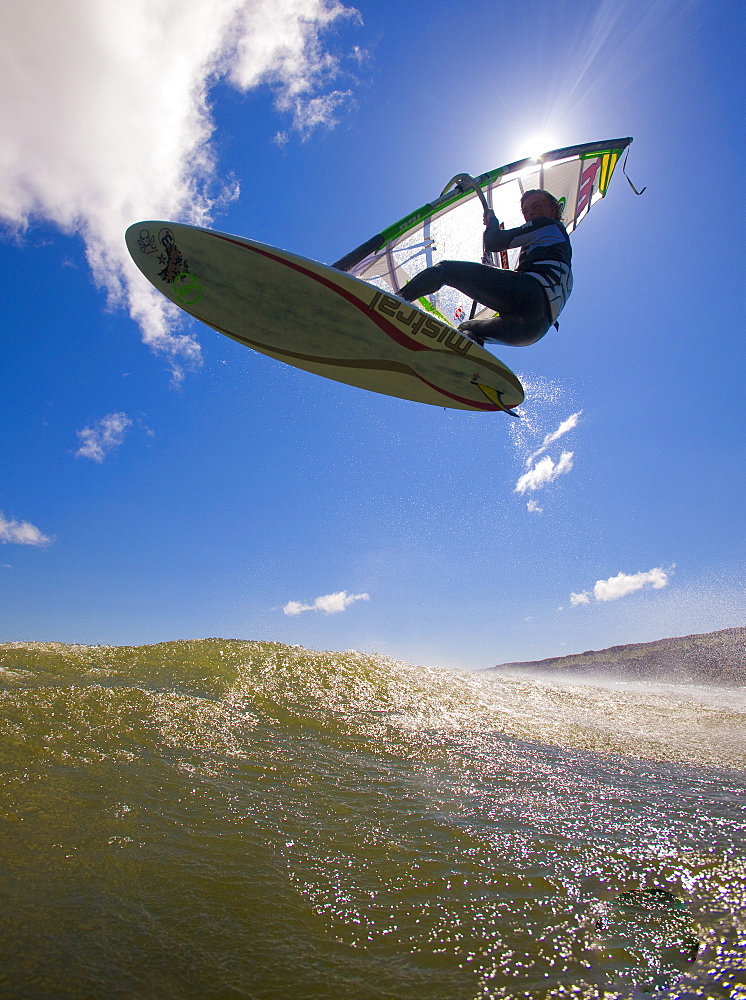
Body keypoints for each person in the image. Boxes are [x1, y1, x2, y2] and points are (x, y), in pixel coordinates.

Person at [397, 189, 572, 347]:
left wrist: (492, 222)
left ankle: (396, 302)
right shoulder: (558, 251)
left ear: (553, 210)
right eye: (525, 211)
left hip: (530, 296)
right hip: (534, 331)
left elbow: (493, 242)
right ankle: (464, 371)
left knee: (446, 270)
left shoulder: (549, 225)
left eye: (536, 206)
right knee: (468, 329)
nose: (530, 213)